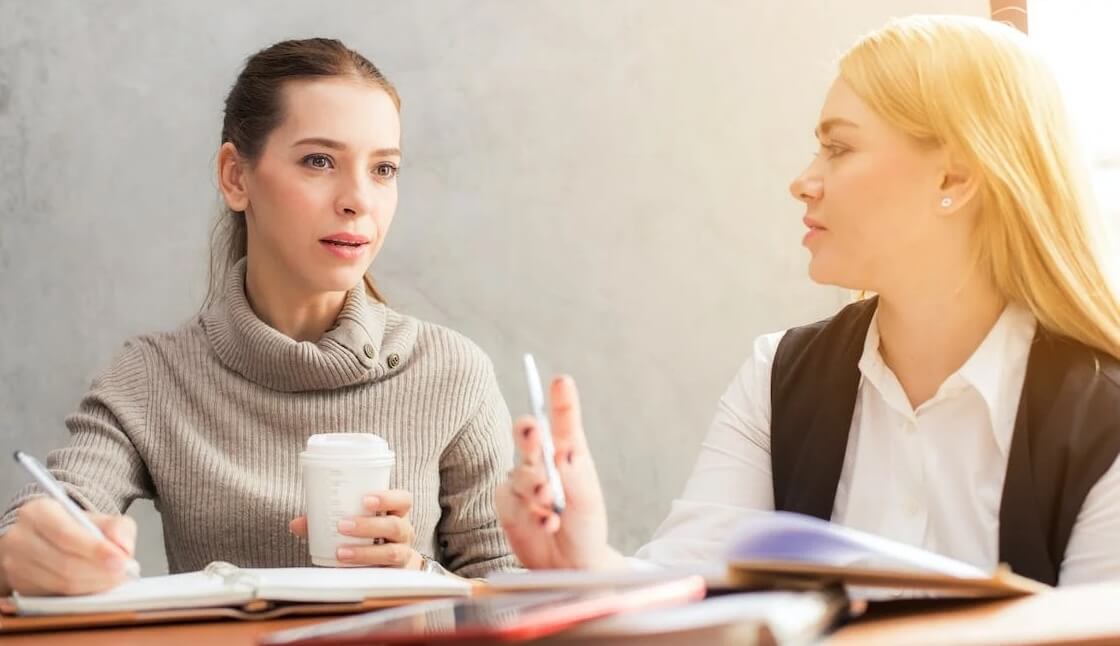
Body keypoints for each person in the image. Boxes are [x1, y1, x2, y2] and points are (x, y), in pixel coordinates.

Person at [496, 15, 1120, 587]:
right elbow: (691, 592)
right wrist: (588, 562)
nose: (803, 182)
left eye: (839, 148)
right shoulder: (778, 376)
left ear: (954, 179)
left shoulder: (1102, 415)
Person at [0, 38, 518, 596]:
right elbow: (48, 516)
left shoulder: (452, 373)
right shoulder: (152, 377)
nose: (359, 200)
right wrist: (23, 555)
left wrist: (419, 579)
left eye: (384, 169)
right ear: (235, 177)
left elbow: (521, 596)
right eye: (319, 161)